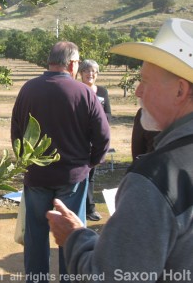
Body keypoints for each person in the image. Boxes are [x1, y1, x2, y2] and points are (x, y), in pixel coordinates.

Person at [47, 18, 193, 282]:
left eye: (145, 81)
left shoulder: (157, 177)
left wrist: (75, 238)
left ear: (180, 90)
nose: (137, 91)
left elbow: (112, 276)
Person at [11, 41, 110, 283]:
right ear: (73, 63)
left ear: (50, 61)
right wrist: (90, 163)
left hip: (36, 177)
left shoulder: (28, 90)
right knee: (72, 235)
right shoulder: (85, 93)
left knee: (35, 236)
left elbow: (16, 132)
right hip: (72, 178)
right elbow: (103, 137)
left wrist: (26, 162)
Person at [78, 59, 111, 221]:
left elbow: (108, 115)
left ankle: (90, 208)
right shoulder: (77, 90)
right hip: (79, 141)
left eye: (93, 72)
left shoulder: (103, 92)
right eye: (86, 71)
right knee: (79, 174)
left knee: (91, 176)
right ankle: (77, 207)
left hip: (95, 141)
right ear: (80, 73)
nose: (90, 74)